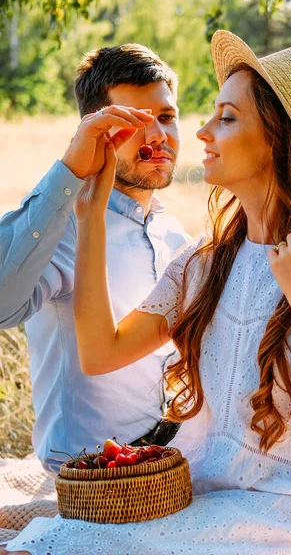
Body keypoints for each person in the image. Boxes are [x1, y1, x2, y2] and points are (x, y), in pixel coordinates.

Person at [2, 30, 291, 555]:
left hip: (290, 512)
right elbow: (100, 353)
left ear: (277, 139)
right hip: (204, 490)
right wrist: (89, 217)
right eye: (209, 114)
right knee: (38, 543)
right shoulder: (204, 260)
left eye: (226, 117)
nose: (201, 132)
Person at [0, 44, 188, 474]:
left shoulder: (174, 232)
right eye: (132, 122)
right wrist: (70, 169)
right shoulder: (61, 229)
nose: (157, 135)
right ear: (98, 128)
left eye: (165, 116)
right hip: (88, 477)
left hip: (167, 462)